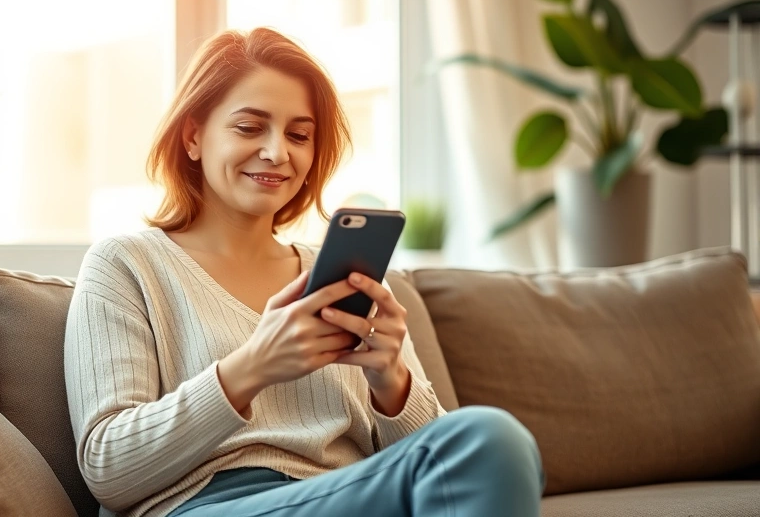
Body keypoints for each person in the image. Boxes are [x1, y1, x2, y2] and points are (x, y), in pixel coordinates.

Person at [64, 27, 544, 517]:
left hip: (347, 493)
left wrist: (391, 380)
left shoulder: (344, 274)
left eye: (298, 135)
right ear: (193, 136)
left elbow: (445, 472)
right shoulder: (126, 264)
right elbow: (108, 470)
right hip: (205, 505)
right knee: (491, 439)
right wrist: (253, 366)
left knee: (493, 441)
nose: (278, 153)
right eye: (250, 127)